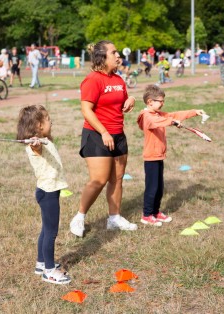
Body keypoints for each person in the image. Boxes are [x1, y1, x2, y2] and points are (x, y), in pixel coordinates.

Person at [69, 40, 137, 238]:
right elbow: (86, 110)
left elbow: (121, 99)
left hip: (118, 134)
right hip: (97, 135)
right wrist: (104, 132)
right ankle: (79, 216)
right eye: (114, 52)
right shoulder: (92, 80)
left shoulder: (118, 79)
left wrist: (130, 99)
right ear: (102, 57)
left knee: (117, 178)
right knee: (98, 180)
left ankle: (114, 218)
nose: (118, 56)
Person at [17, 104, 71, 285]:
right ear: (39, 125)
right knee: (51, 232)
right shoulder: (36, 144)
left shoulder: (45, 140)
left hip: (47, 190)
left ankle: (41, 262)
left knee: (46, 229)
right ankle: (49, 271)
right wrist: (35, 144)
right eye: (47, 119)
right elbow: (36, 149)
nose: (51, 121)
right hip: (47, 193)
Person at [137, 85, 205, 226]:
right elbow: (155, 123)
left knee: (159, 187)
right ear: (150, 101)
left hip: (159, 155)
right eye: (160, 101)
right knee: (152, 187)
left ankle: (155, 212)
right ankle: (147, 215)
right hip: (151, 157)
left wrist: (194, 112)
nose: (162, 104)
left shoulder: (158, 114)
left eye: (163, 101)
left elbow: (174, 115)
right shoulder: (146, 116)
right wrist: (172, 122)